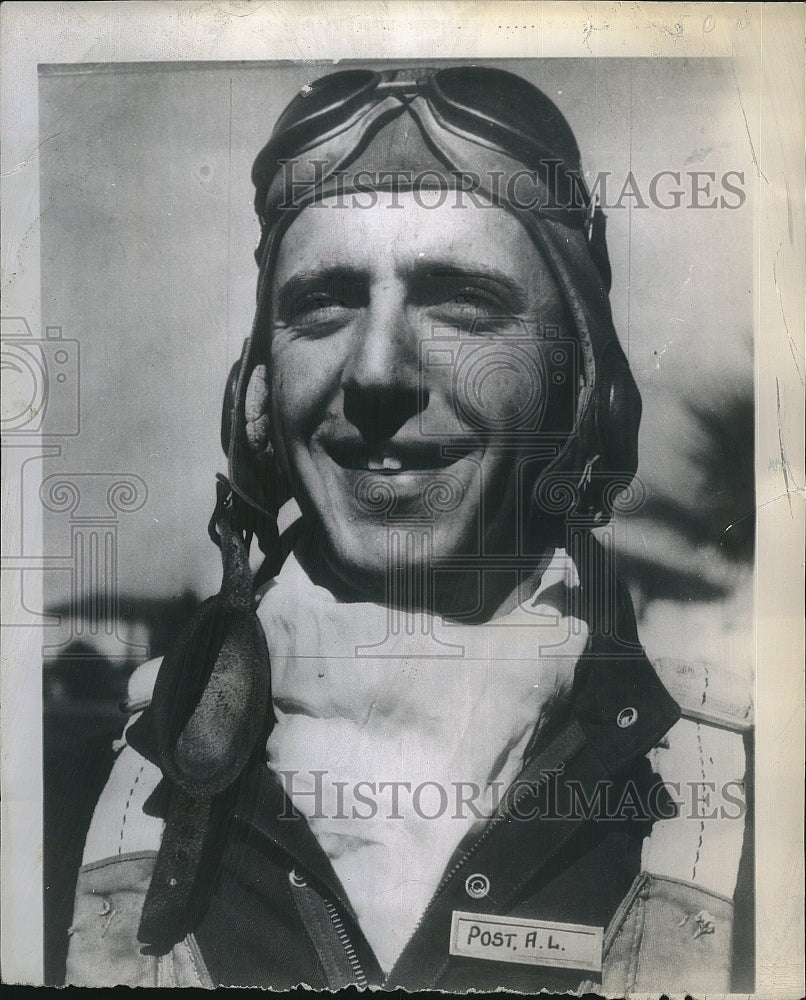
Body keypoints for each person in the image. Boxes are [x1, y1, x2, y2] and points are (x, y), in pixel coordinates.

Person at [65, 66, 750, 991]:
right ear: (258, 390)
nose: (379, 372)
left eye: (460, 300)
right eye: (323, 304)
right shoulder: (71, 799)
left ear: (575, 377)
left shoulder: (743, 798)